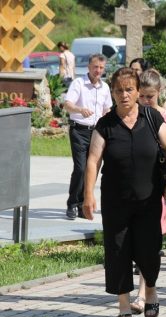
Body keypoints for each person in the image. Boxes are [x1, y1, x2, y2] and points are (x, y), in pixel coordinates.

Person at [82, 67, 166, 317]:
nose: (124, 95)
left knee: (148, 249)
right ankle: (124, 305)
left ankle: (151, 292)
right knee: (118, 251)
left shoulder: (153, 117)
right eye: (118, 90)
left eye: (129, 90)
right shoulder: (106, 123)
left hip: (149, 199)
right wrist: (87, 195)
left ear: (138, 91)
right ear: (112, 93)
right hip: (115, 200)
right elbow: (93, 160)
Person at [130, 69, 166, 314]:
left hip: (161, 187)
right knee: (140, 241)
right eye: (142, 96)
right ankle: (145, 293)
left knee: (150, 243)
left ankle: (146, 292)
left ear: (160, 92)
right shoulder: (133, 116)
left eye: (150, 96)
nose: (146, 101)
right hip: (139, 187)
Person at [64, 53, 112, 220]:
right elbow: (67, 104)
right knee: (80, 168)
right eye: (95, 67)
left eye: (101, 68)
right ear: (89, 67)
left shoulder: (105, 88)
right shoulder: (79, 83)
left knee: (92, 170)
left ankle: (84, 205)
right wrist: (80, 110)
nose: (98, 70)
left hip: (97, 133)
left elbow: (107, 109)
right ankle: (72, 203)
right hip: (79, 130)